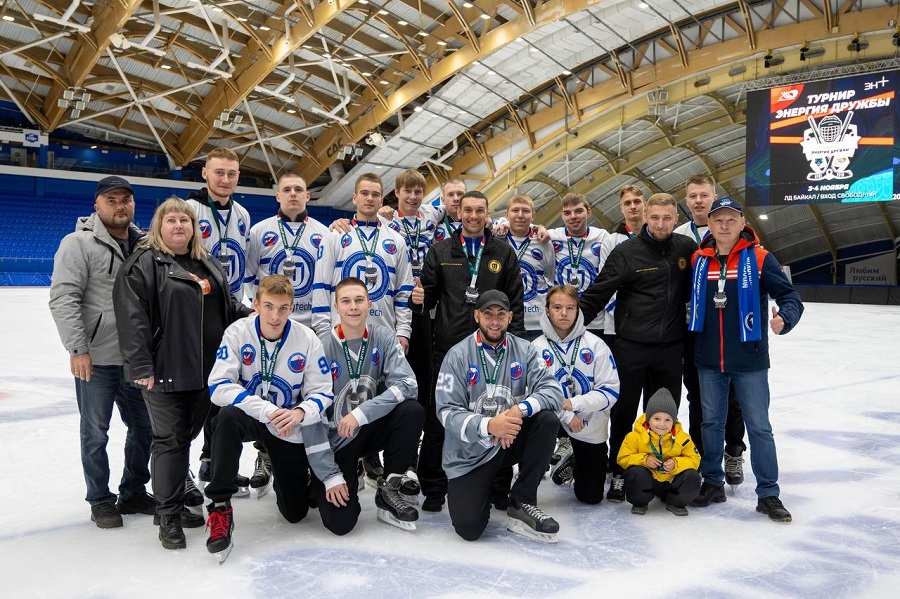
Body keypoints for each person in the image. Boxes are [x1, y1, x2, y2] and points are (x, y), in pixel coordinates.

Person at [113, 197, 252, 550]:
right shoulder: (144, 264)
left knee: (185, 439)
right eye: (171, 220)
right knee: (170, 443)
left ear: (194, 227)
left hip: (208, 372)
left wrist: (252, 315)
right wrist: (141, 364)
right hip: (166, 371)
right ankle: (168, 516)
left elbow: (224, 305)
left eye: (185, 220)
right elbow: (132, 318)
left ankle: (173, 500)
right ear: (159, 226)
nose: (179, 225)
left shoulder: (207, 262)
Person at [203, 275, 340, 563]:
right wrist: (264, 410)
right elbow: (218, 387)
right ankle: (220, 506)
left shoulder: (307, 338)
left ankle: (289, 470)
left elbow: (323, 392)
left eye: (282, 308)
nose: (275, 316)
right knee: (226, 418)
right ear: (255, 305)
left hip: (287, 425)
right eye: (268, 306)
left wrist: (300, 412)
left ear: (291, 307)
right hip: (253, 416)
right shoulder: (237, 332)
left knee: (295, 514)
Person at [687, 198, 803, 522]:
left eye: (730, 219)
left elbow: (790, 296)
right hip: (709, 360)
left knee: (759, 427)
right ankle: (712, 482)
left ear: (742, 223)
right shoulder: (698, 260)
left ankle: (768, 493)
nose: (724, 225)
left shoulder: (760, 258)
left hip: (749, 360)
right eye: (718, 220)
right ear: (710, 225)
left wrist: (786, 318)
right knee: (710, 424)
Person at [49, 175, 154, 528]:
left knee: (145, 429)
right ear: (96, 206)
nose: (120, 205)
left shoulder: (145, 245)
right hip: (96, 358)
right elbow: (64, 298)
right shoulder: (77, 244)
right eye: (112, 200)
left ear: (133, 204)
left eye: (126, 199)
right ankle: (100, 499)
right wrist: (78, 348)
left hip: (137, 358)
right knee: (95, 433)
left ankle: (133, 491)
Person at [410, 190, 525, 513]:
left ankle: (499, 484)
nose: (474, 216)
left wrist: (514, 348)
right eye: (468, 210)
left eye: (480, 210)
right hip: (449, 350)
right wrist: (417, 301)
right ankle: (434, 486)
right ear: (458, 213)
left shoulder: (502, 252)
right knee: (440, 417)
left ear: (487, 214)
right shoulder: (441, 250)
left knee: (495, 413)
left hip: (492, 350)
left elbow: (514, 302)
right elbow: (427, 299)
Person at [578, 193, 697, 503]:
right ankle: (620, 469)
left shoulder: (685, 248)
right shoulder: (627, 252)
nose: (660, 224)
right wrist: (571, 326)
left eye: (667, 218)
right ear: (646, 216)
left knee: (663, 414)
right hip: (631, 347)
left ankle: (660, 471)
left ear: (676, 219)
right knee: (624, 412)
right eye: (654, 217)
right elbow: (598, 292)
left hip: (670, 348)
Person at [435, 290, 563, 542]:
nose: (495, 321)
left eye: (501, 314)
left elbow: (553, 391)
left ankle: (522, 501)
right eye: (488, 314)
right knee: (469, 529)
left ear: (510, 317)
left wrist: (517, 411)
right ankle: (477, 487)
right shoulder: (457, 355)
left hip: (508, 440)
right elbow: (446, 412)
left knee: (547, 420)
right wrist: (490, 425)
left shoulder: (525, 350)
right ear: (477, 316)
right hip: (471, 454)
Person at [313, 277, 424, 534]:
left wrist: (361, 413)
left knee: (411, 411)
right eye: (346, 301)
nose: (353, 306)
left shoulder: (382, 336)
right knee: (340, 523)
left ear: (369, 304)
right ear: (336, 307)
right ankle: (329, 476)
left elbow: (409, 384)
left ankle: (389, 489)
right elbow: (310, 413)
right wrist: (327, 472)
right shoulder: (321, 346)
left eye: (359, 300)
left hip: (369, 427)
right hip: (338, 440)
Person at [185, 148, 256, 488]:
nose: (225, 179)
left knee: (225, 391)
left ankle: (211, 460)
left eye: (231, 173)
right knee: (193, 396)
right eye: (219, 172)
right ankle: (178, 470)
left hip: (233, 316)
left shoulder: (242, 214)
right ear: (205, 174)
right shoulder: (189, 208)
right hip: (197, 317)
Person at [674, 174, 746, 485]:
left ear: (714, 197)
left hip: (727, 326)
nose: (699, 201)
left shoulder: (730, 231)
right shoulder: (679, 235)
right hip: (694, 329)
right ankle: (700, 453)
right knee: (697, 395)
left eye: (704, 195)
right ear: (687, 201)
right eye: (693, 196)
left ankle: (733, 451)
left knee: (732, 394)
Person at [533, 285, 619, 504]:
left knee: (591, 496)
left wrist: (574, 404)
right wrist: (566, 414)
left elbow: (610, 391)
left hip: (587, 423)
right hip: (551, 420)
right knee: (537, 420)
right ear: (547, 311)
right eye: (557, 307)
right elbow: (532, 394)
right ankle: (537, 464)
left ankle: (573, 458)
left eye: (570, 308)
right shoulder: (535, 348)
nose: (564, 313)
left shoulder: (596, 345)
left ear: (577, 310)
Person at [312, 173, 414, 352]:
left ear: (381, 201)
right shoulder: (334, 236)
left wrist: (403, 331)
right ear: (354, 198)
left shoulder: (397, 240)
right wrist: (323, 332)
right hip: (339, 334)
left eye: (375, 195)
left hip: (385, 334)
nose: (370, 198)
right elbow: (321, 286)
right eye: (364, 193)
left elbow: (403, 291)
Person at [617, 388, 701, 516]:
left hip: (671, 481)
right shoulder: (634, 437)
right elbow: (622, 458)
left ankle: (675, 502)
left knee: (693, 476)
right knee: (635, 472)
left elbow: (695, 459)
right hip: (648, 479)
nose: (662, 424)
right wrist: (644, 460)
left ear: (674, 421)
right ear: (648, 418)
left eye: (668, 420)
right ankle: (640, 502)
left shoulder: (683, 438)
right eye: (657, 419)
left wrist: (676, 463)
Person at [546, 192, 611, 336]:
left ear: (589, 212)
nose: (573, 216)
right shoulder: (552, 236)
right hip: (562, 321)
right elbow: (526, 230)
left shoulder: (602, 236)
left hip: (595, 320)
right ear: (562, 216)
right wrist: (503, 223)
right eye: (567, 213)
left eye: (578, 211)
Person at [505, 194, 555, 341]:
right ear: (506, 214)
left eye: (525, 211)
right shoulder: (497, 240)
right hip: (507, 321)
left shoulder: (544, 242)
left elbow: (550, 277)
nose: (520, 215)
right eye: (515, 210)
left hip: (538, 322)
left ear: (533, 216)